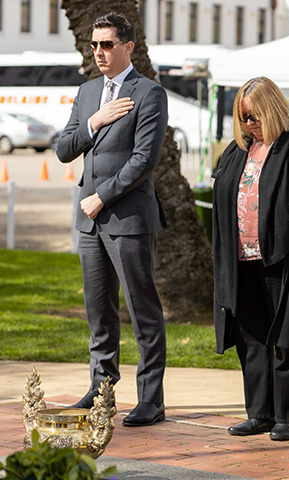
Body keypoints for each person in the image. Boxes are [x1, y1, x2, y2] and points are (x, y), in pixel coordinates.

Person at [56, 12, 168, 427]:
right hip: (91, 224)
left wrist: (101, 196)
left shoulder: (149, 93)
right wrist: (94, 121)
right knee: (98, 310)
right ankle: (101, 387)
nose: (99, 52)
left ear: (128, 47)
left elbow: (144, 159)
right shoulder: (87, 93)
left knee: (143, 312)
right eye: (94, 44)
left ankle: (151, 400)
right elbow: (64, 148)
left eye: (107, 44)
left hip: (128, 219)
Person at [211, 77, 289, 442]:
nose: (250, 124)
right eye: (244, 117)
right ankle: (260, 413)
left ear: (274, 110)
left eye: (256, 116)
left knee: (287, 339)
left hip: (284, 262)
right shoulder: (236, 151)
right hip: (241, 262)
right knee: (252, 339)